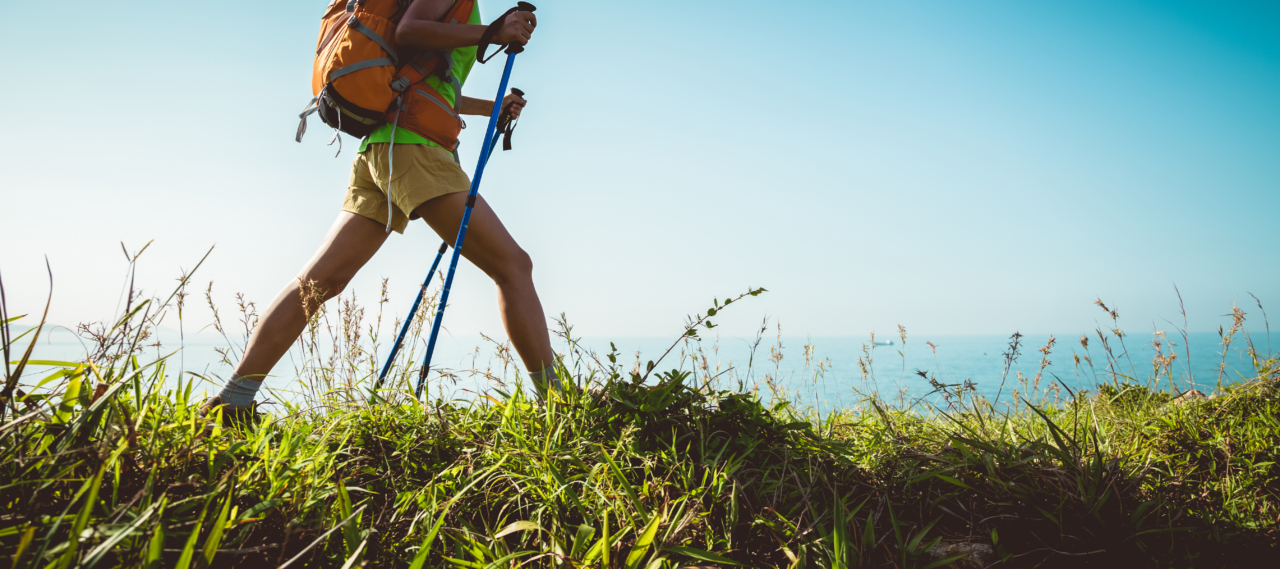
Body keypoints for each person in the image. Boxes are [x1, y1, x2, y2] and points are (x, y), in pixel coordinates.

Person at [204, 0, 555, 419]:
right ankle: (560, 403)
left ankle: (233, 400)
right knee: (513, 265)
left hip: (384, 146)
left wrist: (489, 107)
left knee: (319, 281)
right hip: (413, 147)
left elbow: (425, 77)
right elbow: (409, 31)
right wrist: (492, 33)